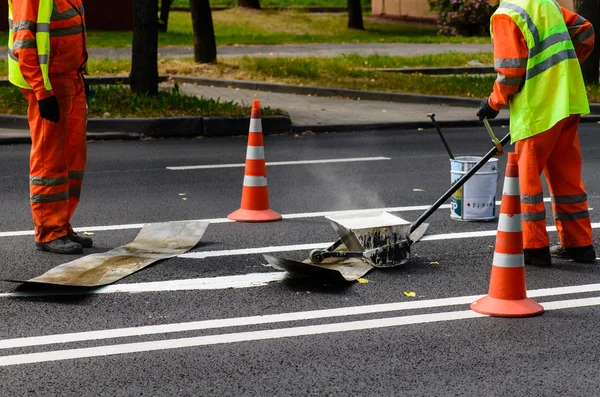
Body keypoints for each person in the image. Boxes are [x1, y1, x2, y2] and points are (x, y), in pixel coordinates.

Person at [477, 0, 596, 266]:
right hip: (568, 100)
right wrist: (562, 71)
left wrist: (493, 103)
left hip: (540, 109)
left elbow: (510, 73)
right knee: (566, 177)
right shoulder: (544, 2)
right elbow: (585, 30)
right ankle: (580, 246)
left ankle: (533, 248)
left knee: (526, 182)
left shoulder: (506, 14)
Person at [8, 0, 92, 254]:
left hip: (69, 78)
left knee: (73, 157)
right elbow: (24, 41)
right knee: (49, 158)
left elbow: (70, 31)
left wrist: (80, 72)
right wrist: (42, 92)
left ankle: (62, 224)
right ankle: (48, 231)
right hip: (48, 81)